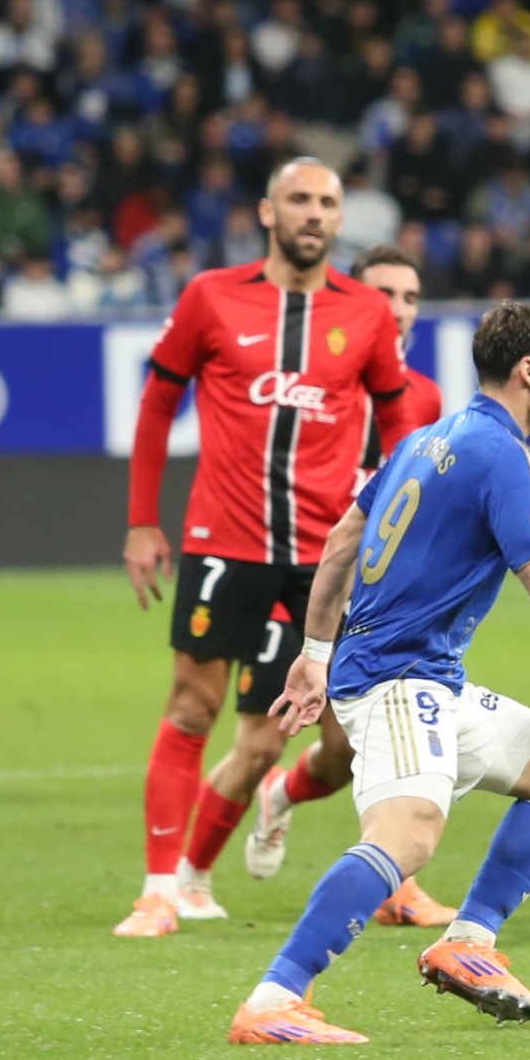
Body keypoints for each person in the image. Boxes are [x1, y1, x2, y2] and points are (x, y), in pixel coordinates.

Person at [227, 302, 530, 1044]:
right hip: (400, 679)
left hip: (417, 675)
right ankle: (273, 1000)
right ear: (529, 369)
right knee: (410, 835)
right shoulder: (504, 455)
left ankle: (470, 942)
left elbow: (341, 541)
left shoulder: (427, 440)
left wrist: (315, 656)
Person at [117, 159, 407, 938]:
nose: (314, 214)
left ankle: (382, 872)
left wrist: (402, 521)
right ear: (267, 213)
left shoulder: (368, 315)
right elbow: (156, 402)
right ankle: (157, 890)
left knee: (353, 739)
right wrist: (144, 520)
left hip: (327, 556)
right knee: (192, 706)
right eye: (299, 200)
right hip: (225, 543)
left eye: (327, 203)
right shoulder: (212, 296)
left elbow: (400, 417)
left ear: (340, 221)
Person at [179, 243, 455, 926]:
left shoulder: (420, 397)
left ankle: (295, 808)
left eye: (410, 297)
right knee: (262, 741)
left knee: (350, 751)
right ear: (353, 303)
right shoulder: (313, 380)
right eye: (384, 294)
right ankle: (187, 878)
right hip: (293, 574)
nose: (397, 310)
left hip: (371, 597)